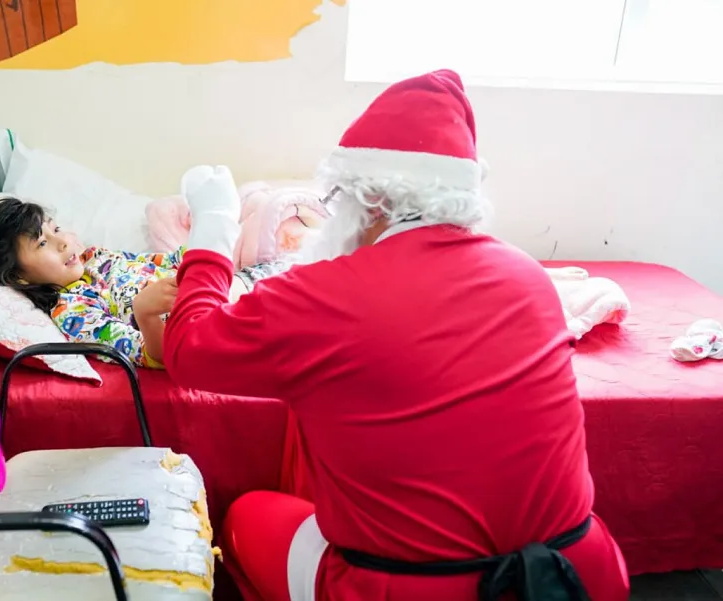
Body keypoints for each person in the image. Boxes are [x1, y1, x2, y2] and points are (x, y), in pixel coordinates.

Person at [164, 70, 630, 601]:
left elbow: (188, 347)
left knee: (248, 514)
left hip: (412, 590)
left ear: (371, 200)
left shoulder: (324, 294)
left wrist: (215, 226)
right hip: (576, 576)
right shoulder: (529, 275)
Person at [0, 196, 287, 368]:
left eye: (55, 229)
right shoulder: (73, 312)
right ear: (18, 276)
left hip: (233, 284)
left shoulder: (95, 257)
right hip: (222, 321)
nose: (62, 242)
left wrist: (205, 247)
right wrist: (145, 312)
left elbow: (166, 262)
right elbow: (161, 355)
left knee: (299, 260)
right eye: (42, 243)